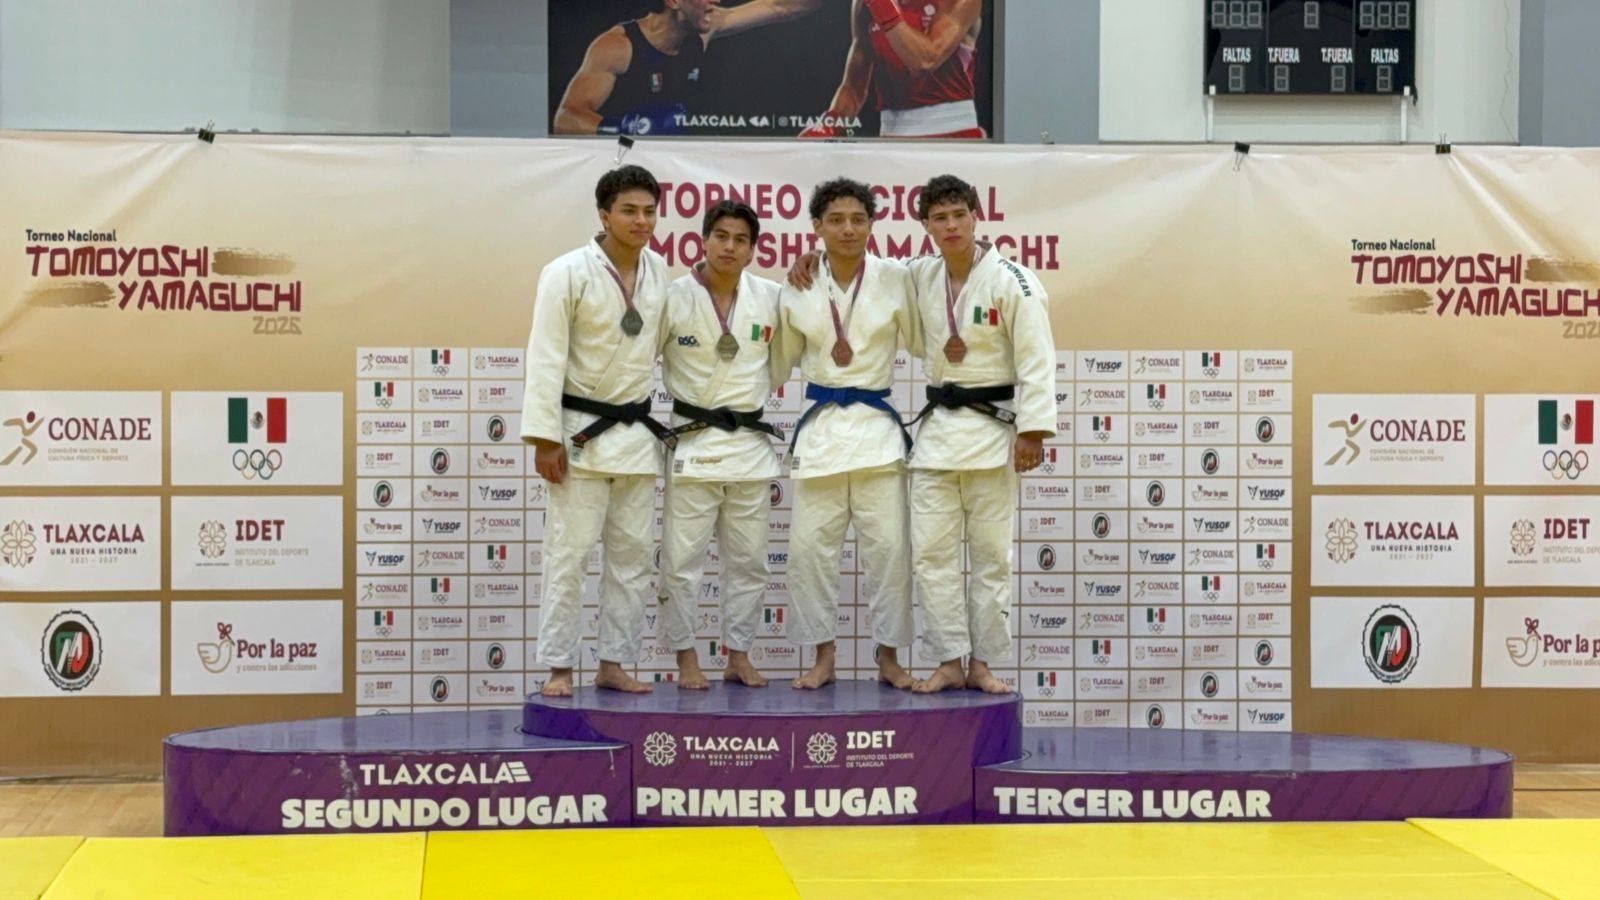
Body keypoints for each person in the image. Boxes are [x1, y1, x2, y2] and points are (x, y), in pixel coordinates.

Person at [521, 165, 673, 697]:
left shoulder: (660, 271)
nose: (641, 220)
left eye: (649, 211)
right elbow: (545, 356)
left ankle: (615, 662)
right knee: (568, 557)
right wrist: (545, 438)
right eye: (629, 210)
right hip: (580, 434)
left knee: (632, 560)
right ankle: (559, 666)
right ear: (604, 215)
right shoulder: (565, 272)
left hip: (635, 437)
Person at [904, 174, 1055, 693]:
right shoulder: (919, 276)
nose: (951, 225)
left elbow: (1037, 359)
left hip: (993, 433)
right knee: (932, 556)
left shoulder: (1015, 280)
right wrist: (814, 259)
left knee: (991, 558)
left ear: (976, 216)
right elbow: (864, 276)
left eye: (958, 215)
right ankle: (950, 659)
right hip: (937, 437)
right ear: (926, 226)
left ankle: (984, 662)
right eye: (939, 218)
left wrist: (1033, 431)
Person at [777, 178, 919, 690]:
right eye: (835, 220)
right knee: (809, 554)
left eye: (858, 219)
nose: (848, 229)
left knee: (889, 553)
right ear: (817, 227)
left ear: (872, 225)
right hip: (822, 436)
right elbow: (780, 359)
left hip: (878, 435)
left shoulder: (897, 278)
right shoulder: (798, 284)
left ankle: (889, 657)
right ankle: (823, 656)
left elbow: (928, 322)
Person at [656, 201, 786, 689]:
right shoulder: (673, 298)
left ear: (753, 250)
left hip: (749, 448)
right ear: (704, 241)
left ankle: (739, 654)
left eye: (740, 240)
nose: (730, 247)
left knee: (750, 563)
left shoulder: (772, 297)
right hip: (694, 445)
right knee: (681, 564)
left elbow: (786, 356)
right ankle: (686, 658)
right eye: (721, 236)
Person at [555, 0, 824, 136]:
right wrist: (628, 129)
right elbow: (565, 119)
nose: (715, 1)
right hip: (622, 168)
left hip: (676, 168)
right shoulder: (618, 46)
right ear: (673, 1)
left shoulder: (706, 27)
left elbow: (779, 6)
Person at [802, 0, 986, 139]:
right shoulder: (863, 5)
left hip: (953, 133)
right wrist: (831, 123)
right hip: (891, 136)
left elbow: (926, 60)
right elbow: (853, 88)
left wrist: (881, 4)